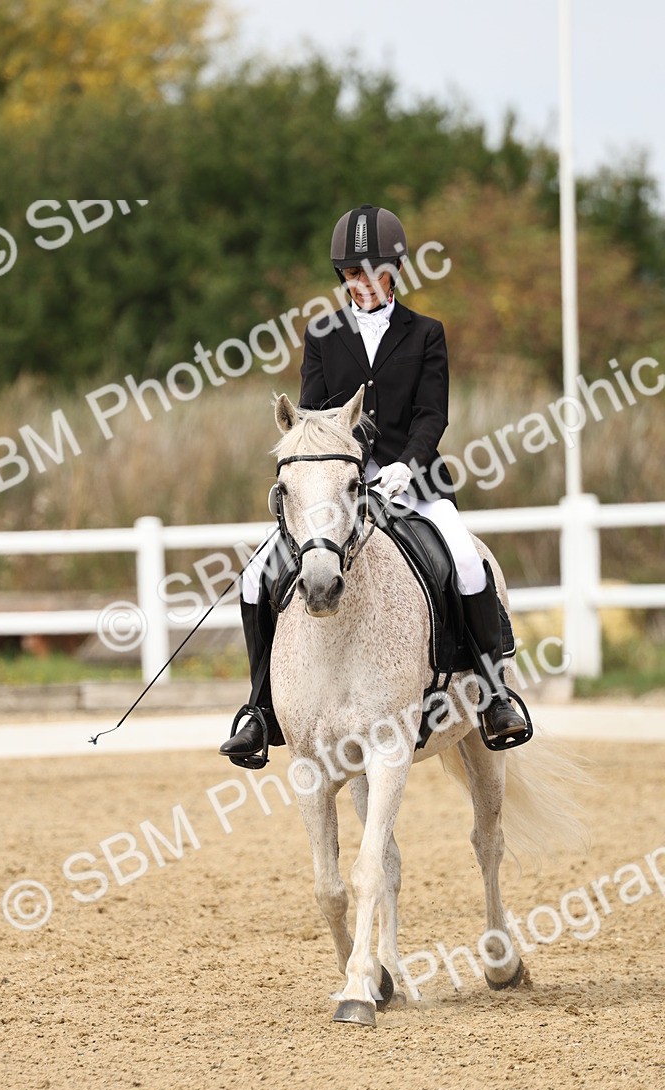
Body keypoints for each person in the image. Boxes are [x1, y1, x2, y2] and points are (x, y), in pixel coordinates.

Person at [219, 203, 529, 763]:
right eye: (351, 274)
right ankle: (261, 709)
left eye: (373, 271)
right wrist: (331, 472)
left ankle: (494, 695)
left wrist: (407, 464)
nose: (361, 283)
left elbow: (433, 415)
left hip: (416, 481)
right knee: (253, 578)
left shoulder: (426, 333)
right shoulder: (323, 335)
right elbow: (312, 413)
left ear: (395, 271)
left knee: (463, 559)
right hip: (338, 487)